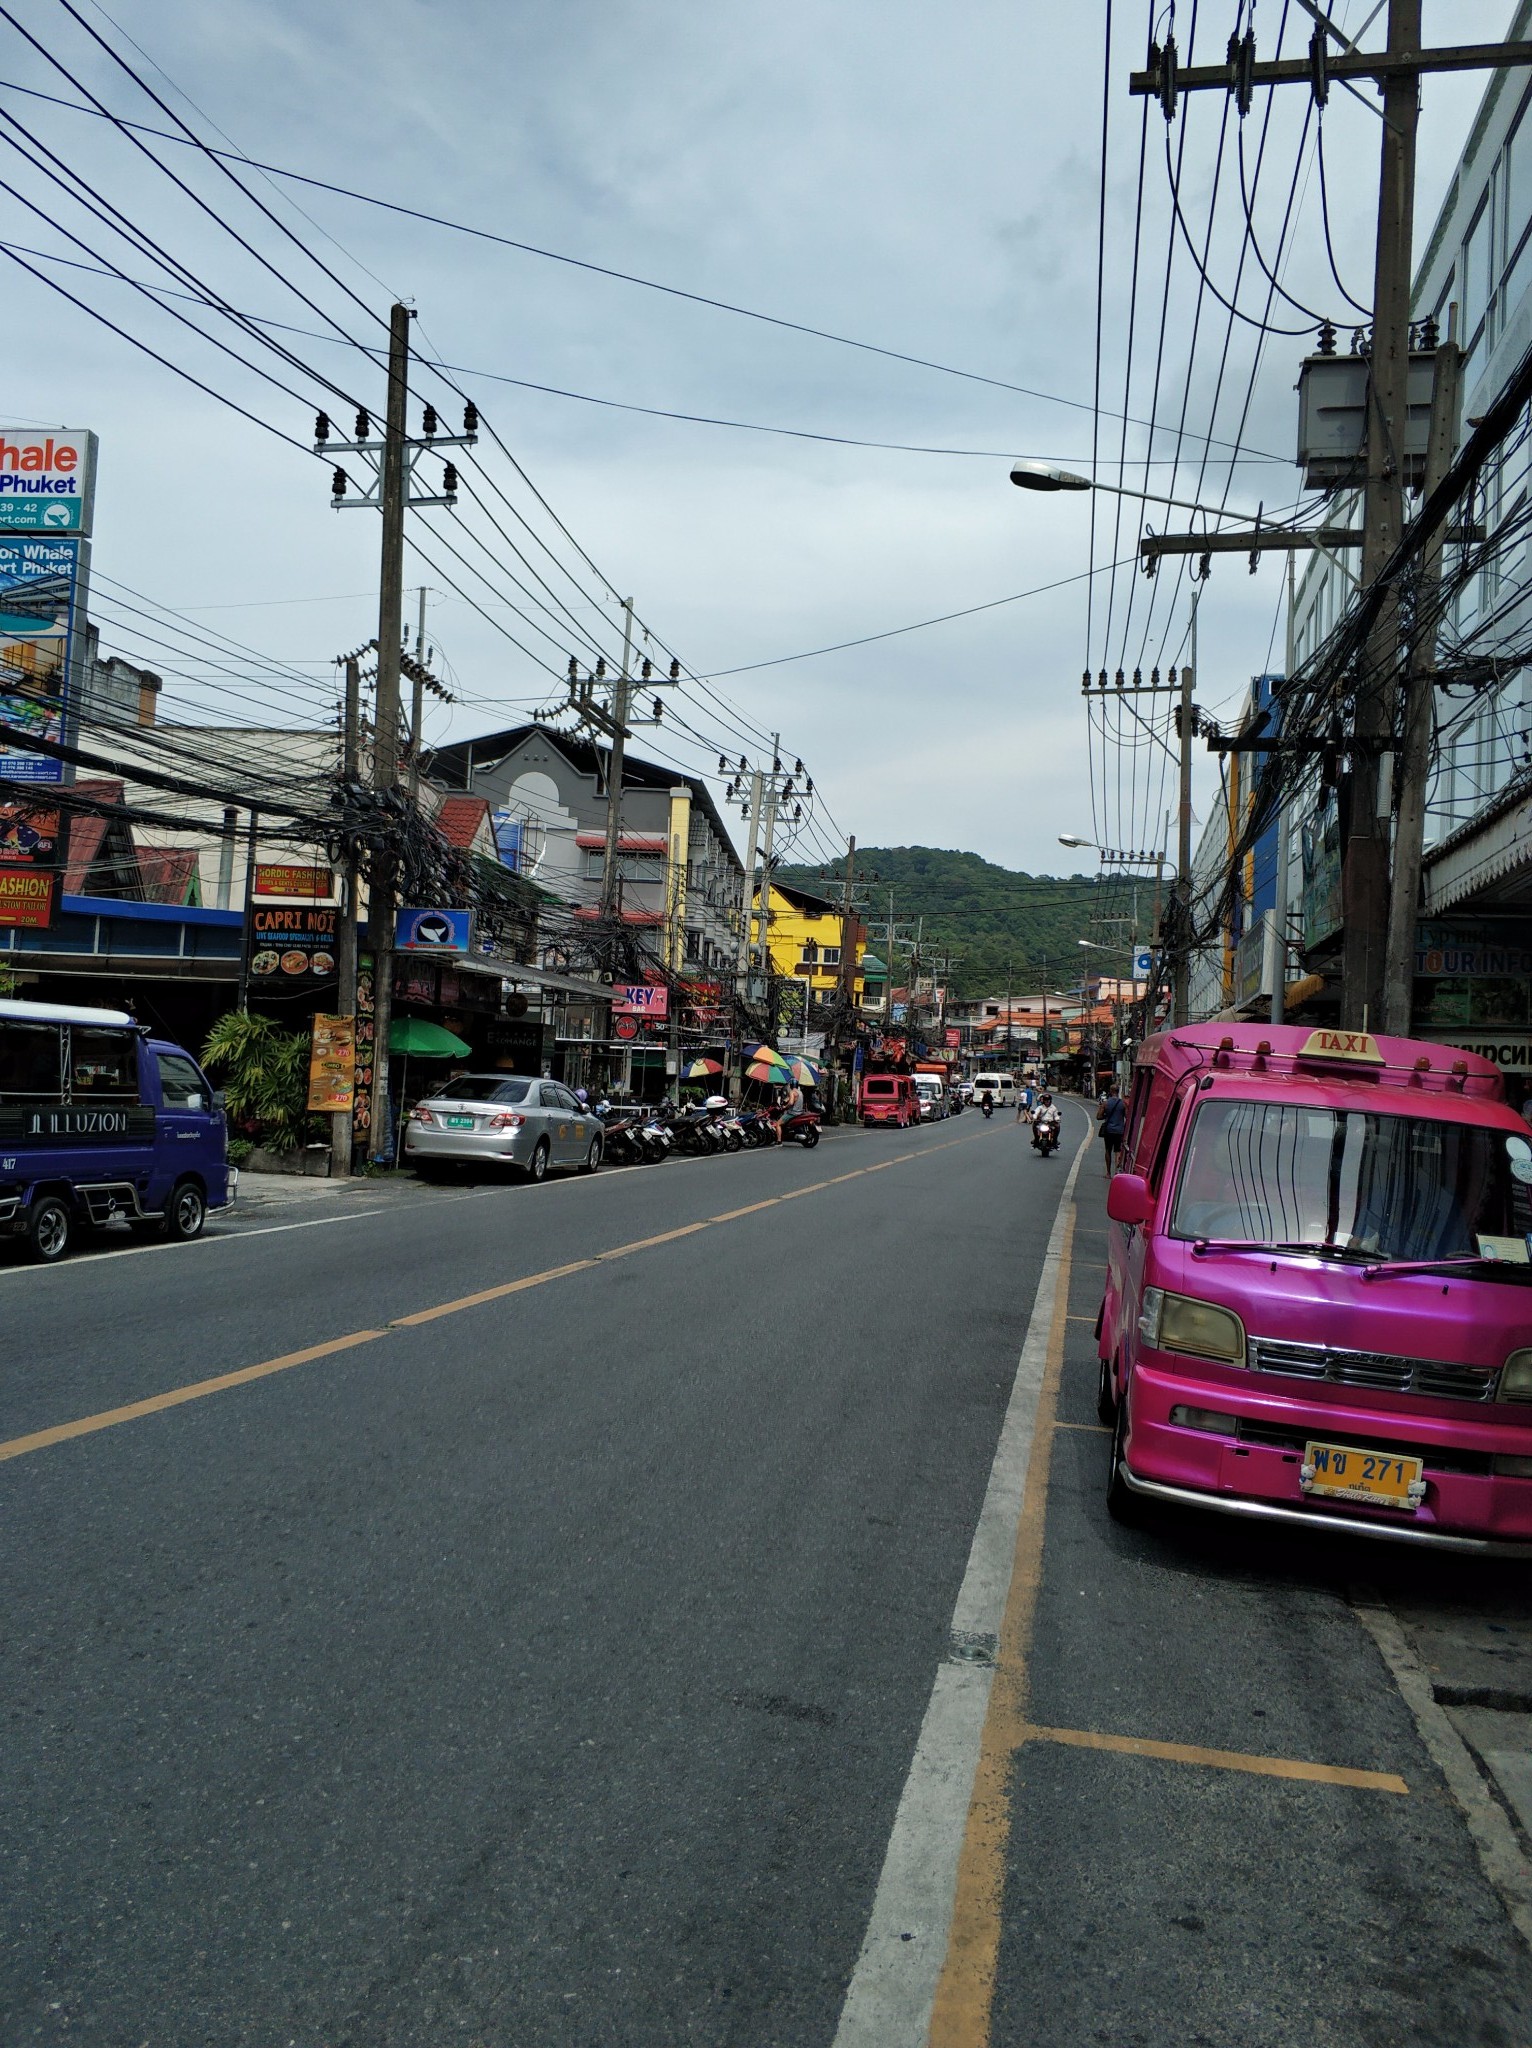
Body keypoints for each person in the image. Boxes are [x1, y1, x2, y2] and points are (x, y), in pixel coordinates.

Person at [1098, 1082, 1127, 1177]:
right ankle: (1117, 1172)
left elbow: (1098, 1116)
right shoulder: (1123, 1104)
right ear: (1118, 1092)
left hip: (1109, 1130)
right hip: (1119, 1131)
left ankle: (1108, 1173)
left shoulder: (1106, 1103)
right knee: (1118, 1151)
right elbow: (1127, 1116)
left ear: (1110, 1091)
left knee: (1108, 1150)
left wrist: (1106, 1115)